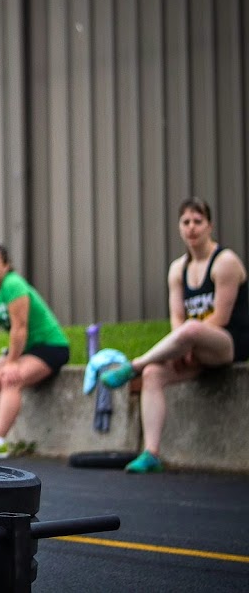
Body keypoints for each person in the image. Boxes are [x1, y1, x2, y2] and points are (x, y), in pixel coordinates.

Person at [92, 198, 249, 473]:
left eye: (198, 222)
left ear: (209, 225)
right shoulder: (178, 269)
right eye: (186, 222)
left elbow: (221, 319)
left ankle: (133, 366)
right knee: (153, 374)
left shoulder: (225, 262)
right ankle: (151, 453)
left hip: (229, 344)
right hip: (194, 347)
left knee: (190, 329)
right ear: (179, 227)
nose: (192, 228)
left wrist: (188, 340)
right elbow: (177, 318)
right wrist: (182, 346)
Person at [0, 243, 69, 460]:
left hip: (49, 347)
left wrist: (10, 363)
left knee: (11, 378)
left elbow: (20, 328)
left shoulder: (14, 284)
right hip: (23, 349)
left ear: (6, 265)